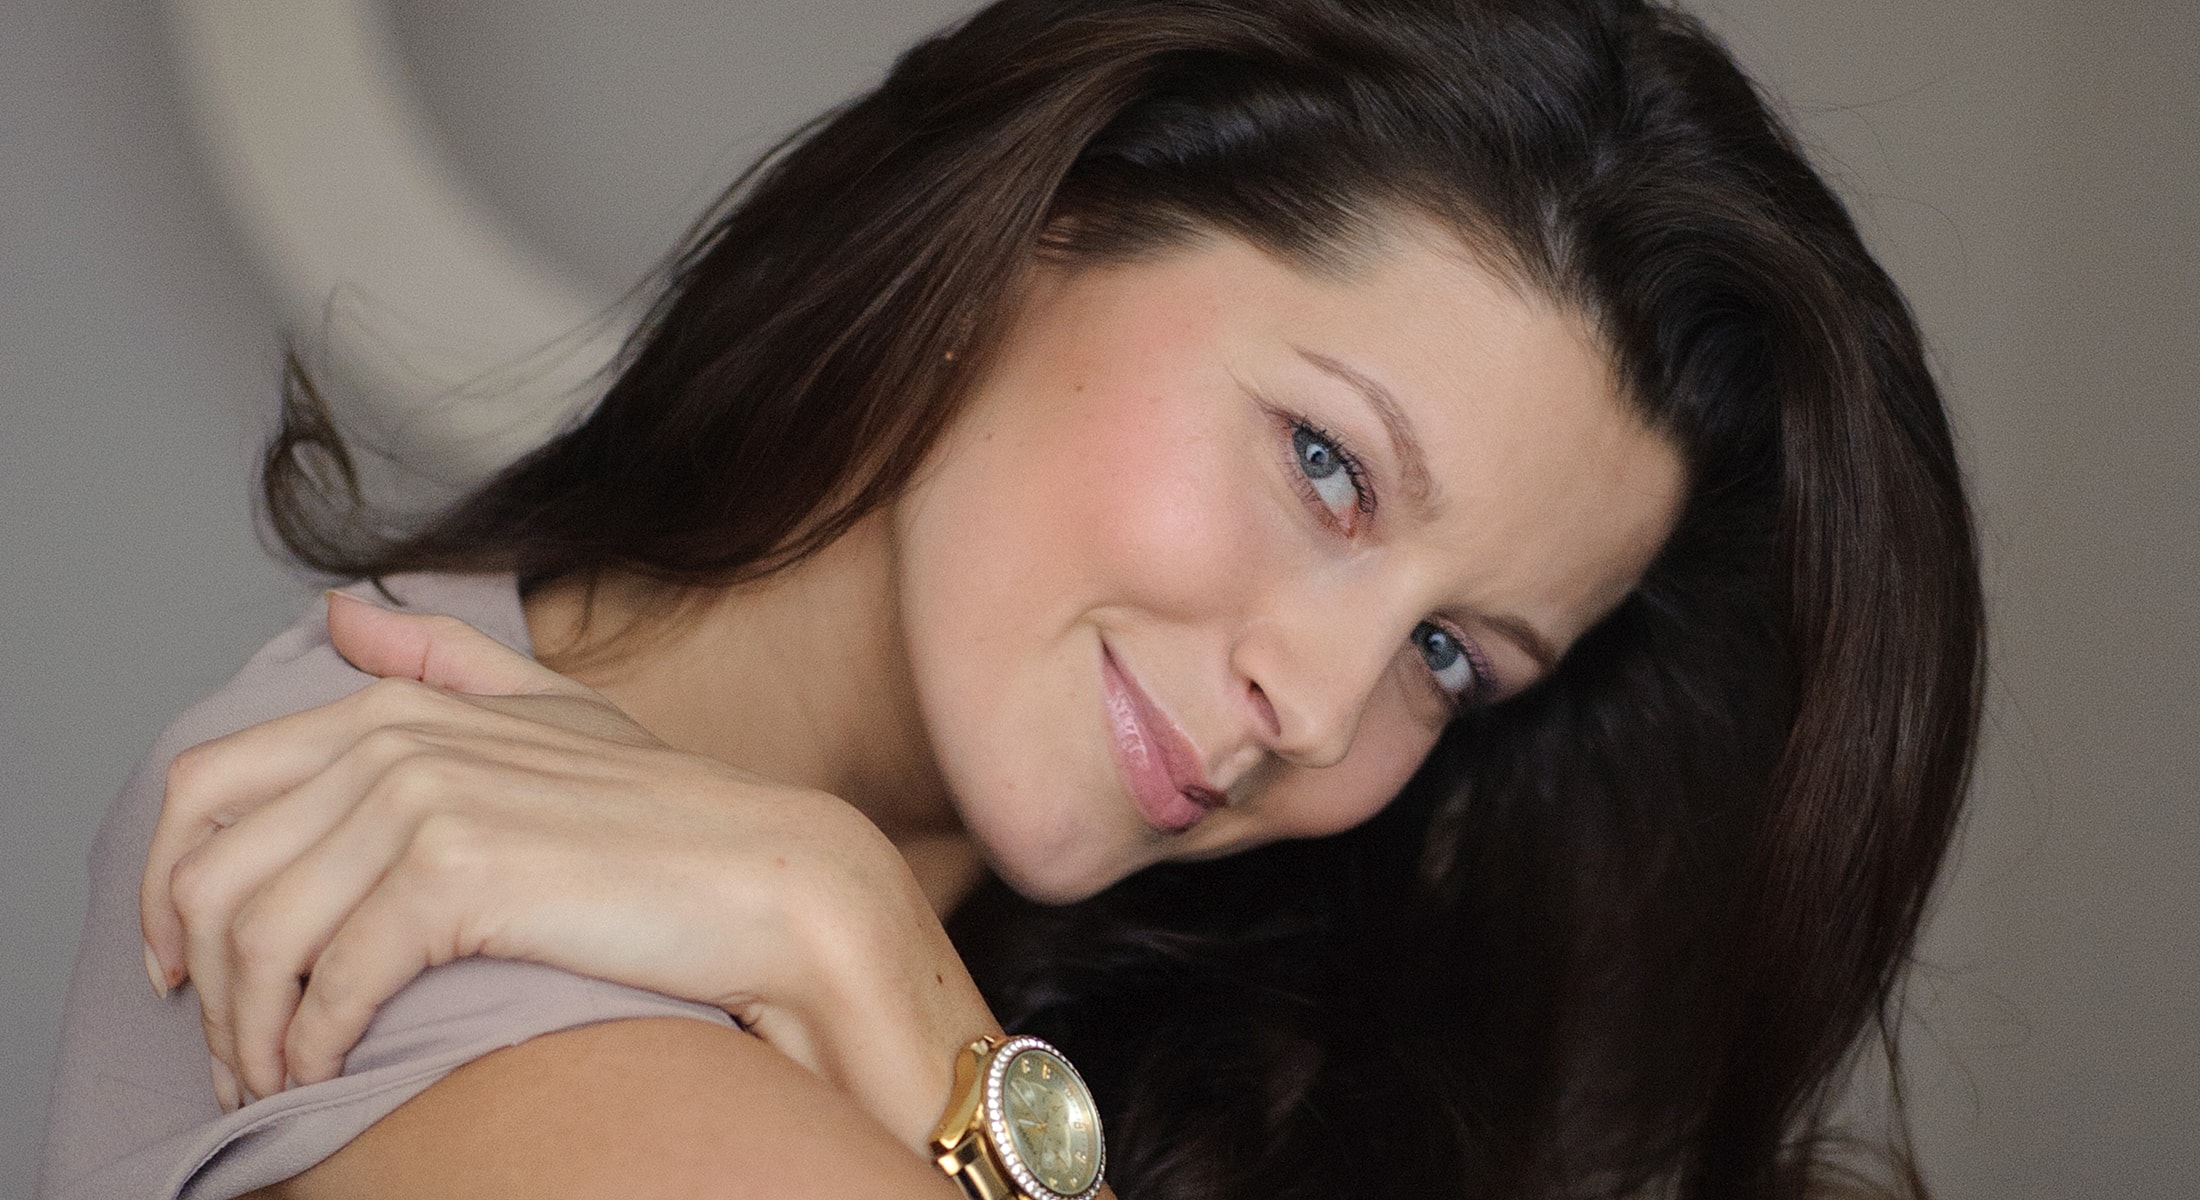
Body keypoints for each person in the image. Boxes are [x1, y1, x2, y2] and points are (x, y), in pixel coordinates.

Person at [41, 0, 1984, 1197]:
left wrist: (860, 950)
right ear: (1048, 224)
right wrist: (839, 925)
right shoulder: (397, 861)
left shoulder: (1168, 1005)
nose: (1313, 707)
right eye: (1324, 464)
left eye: (1447, 658)